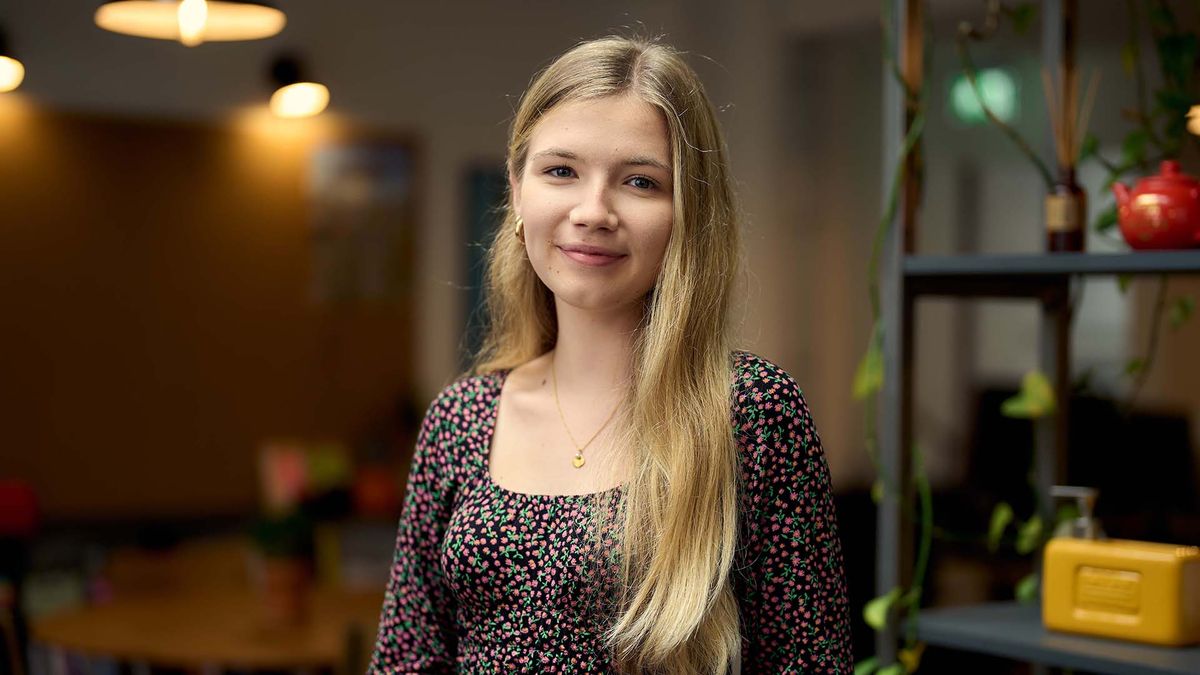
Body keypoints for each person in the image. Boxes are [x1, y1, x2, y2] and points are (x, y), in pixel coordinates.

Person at [369, 35, 852, 674]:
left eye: (640, 181)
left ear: (688, 210)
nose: (593, 211)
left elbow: (810, 665)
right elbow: (407, 659)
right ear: (517, 191)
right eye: (561, 171)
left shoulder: (753, 414)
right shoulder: (461, 417)